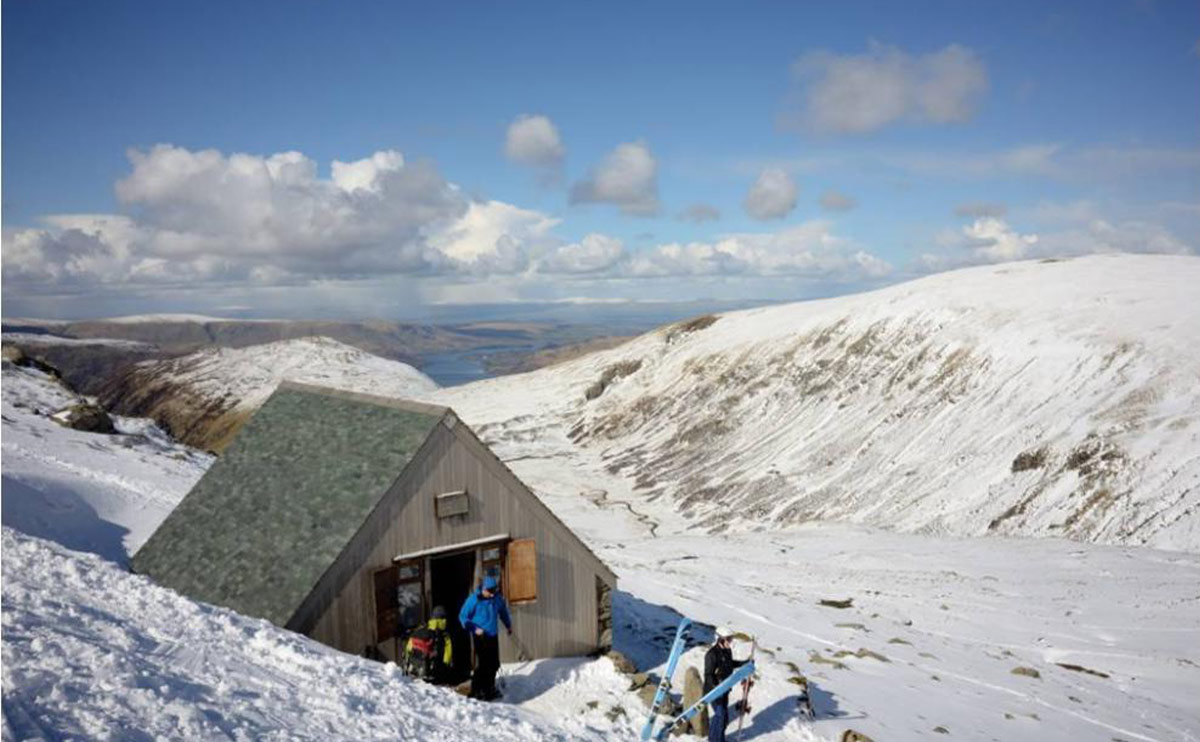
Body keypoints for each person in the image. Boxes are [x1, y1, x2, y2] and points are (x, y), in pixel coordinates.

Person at [458, 573, 512, 700]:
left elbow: (503, 611)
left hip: (493, 635)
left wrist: (508, 625)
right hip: (480, 635)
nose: (492, 594)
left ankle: (489, 689)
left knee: (494, 664)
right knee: (483, 665)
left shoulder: (496, 598)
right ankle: (477, 690)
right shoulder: (474, 600)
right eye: (490, 591)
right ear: (484, 589)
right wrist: (473, 628)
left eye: (494, 591)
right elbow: (462, 616)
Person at [704, 625, 751, 742]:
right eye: (728, 639)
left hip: (725, 689)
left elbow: (730, 664)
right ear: (720, 639)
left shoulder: (727, 651)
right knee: (720, 716)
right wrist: (716, 687)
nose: (731, 642)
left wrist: (744, 663)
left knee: (723, 718)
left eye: (731, 639)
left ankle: (714, 739)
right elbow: (708, 674)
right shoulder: (711, 654)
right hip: (713, 691)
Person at [403, 605, 453, 684]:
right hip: (434, 674)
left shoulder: (422, 628)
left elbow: (409, 647)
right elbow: (448, 653)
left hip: (416, 667)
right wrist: (446, 665)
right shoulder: (444, 634)